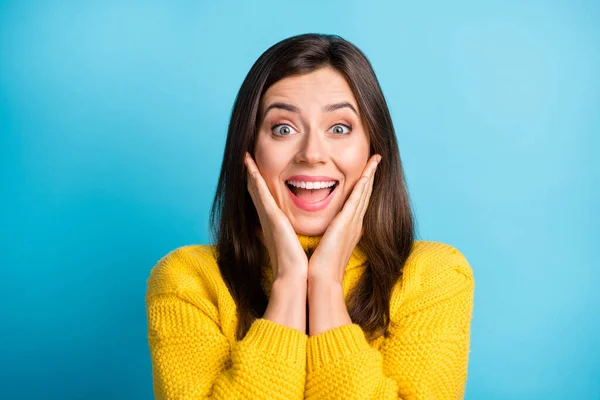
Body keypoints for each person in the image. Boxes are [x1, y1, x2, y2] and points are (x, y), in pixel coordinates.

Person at [145, 33, 475, 400]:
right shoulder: (188, 282)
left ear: (373, 149)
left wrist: (326, 287)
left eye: (339, 128)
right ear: (249, 149)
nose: (312, 153)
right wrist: (288, 283)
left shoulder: (435, 277)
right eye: (283, 128)